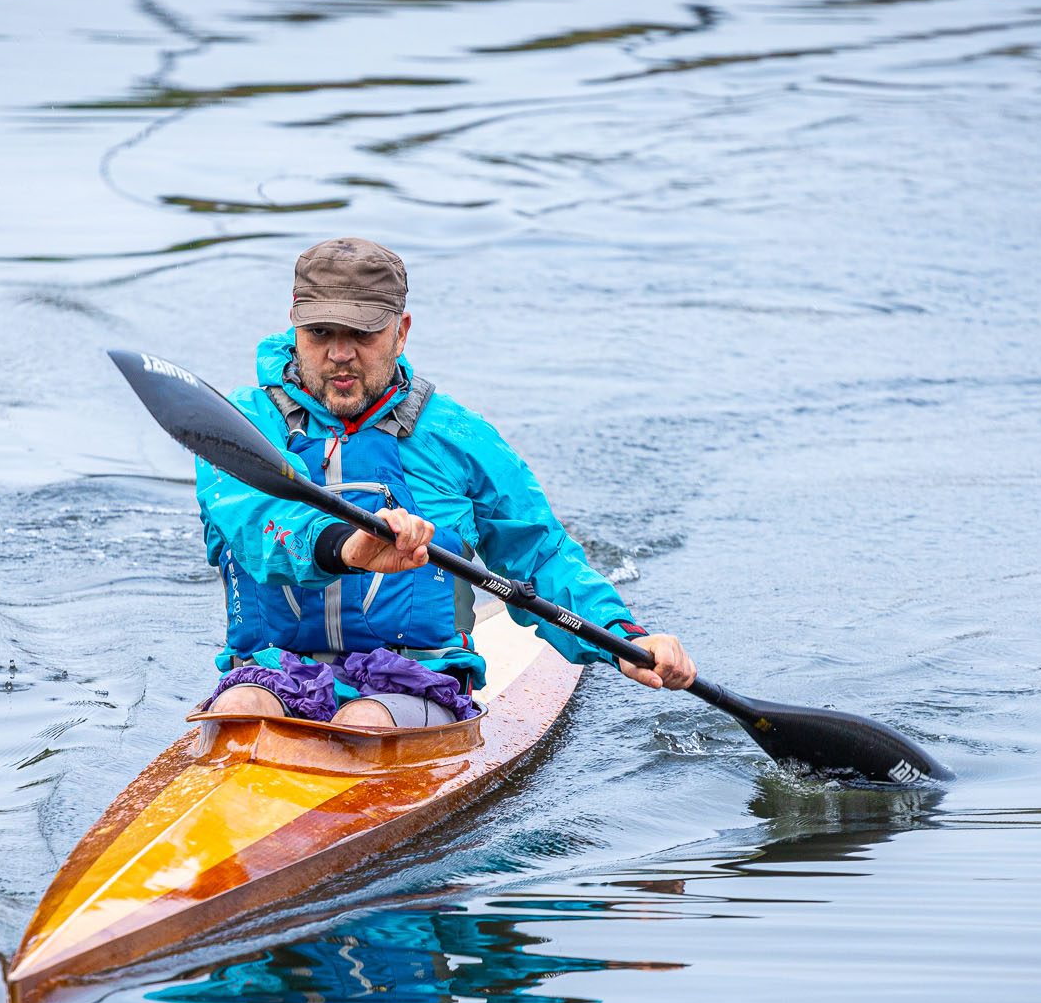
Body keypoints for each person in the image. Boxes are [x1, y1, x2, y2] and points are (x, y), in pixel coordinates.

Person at [197, 237, 695, 728]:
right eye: (321, 333)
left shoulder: (459, 438)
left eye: (363, 334)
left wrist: (623, 637)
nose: (340, 354)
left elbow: (538, 554)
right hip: (267, 676)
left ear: (401, 331)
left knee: (365, 720)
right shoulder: (241, 422)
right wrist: (347, 546)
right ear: (295, 322)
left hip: (414, 678)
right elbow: (255, 519)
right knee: (243, 713)